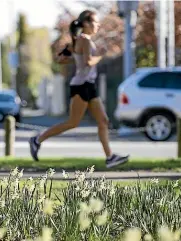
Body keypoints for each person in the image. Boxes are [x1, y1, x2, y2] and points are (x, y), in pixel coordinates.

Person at [29, 9, 129, 168]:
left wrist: (76, 59)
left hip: (88, 85)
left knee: (103, 120)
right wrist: (100, 55)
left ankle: (110, 157)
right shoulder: (85, 41)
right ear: (86, 24)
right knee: (72, 123)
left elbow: (60, 59)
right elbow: (89, 61)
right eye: (95, 22)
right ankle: (37, 139)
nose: (98, 25)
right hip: (81, 86)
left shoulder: (76, 41)